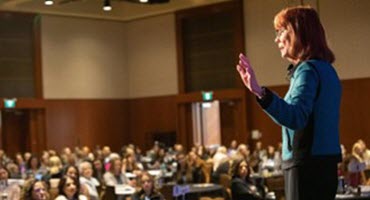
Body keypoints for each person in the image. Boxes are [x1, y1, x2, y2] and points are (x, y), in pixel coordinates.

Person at [236, 5, 342, 200]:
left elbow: (295, 117)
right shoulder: (327, 70)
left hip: (306, 166)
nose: (276, 39)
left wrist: (259, 91)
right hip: (324, 163)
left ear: (299, 32)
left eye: (281, 32)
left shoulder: (307, 70)